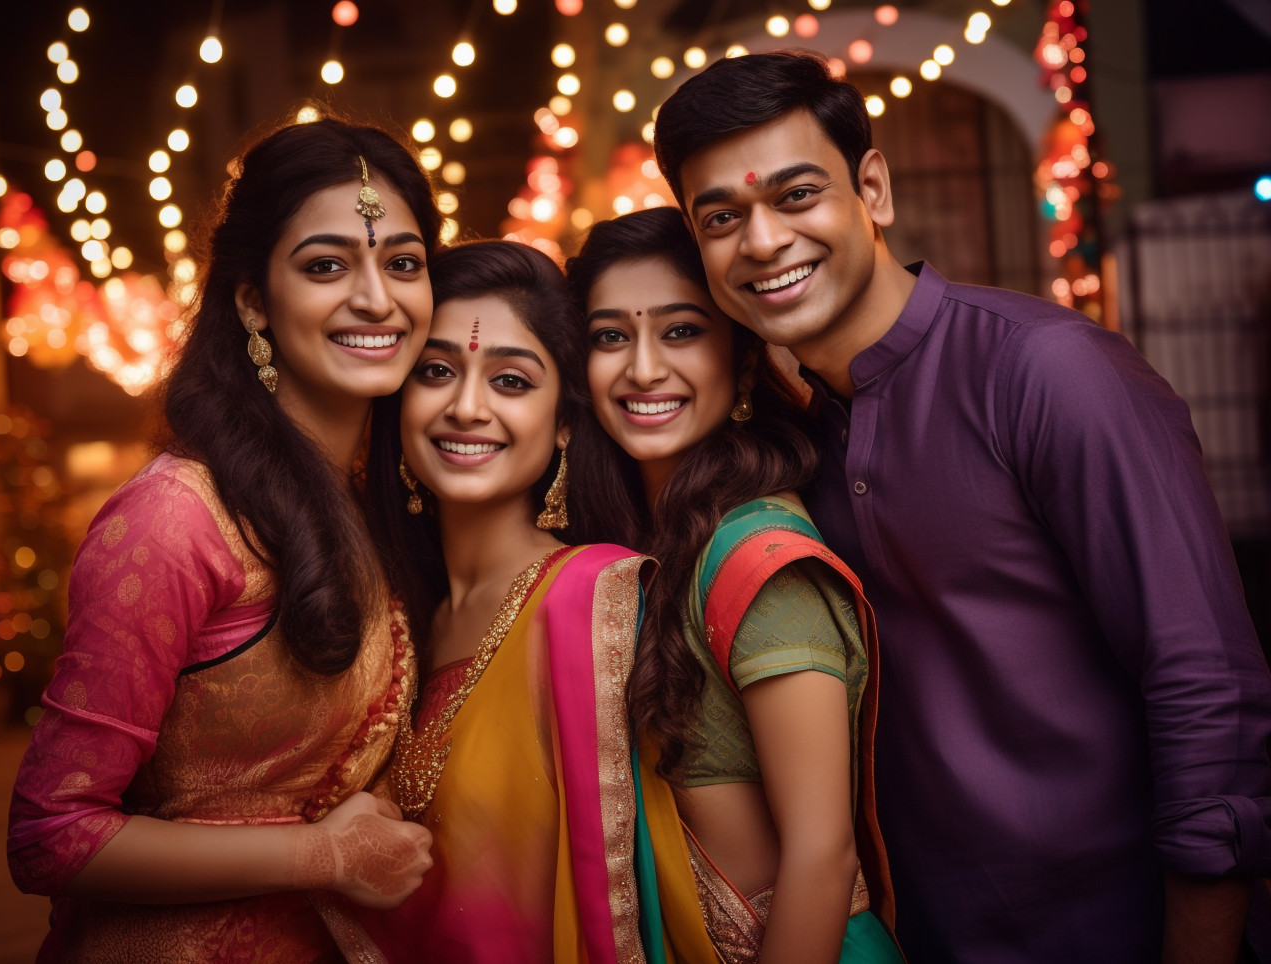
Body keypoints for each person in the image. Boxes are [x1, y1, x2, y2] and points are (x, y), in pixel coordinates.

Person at [651, 50, 1271, 963]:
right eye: (722, 217)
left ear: (874, 187)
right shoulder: (793, 446)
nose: (764, 241)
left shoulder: (1047, 373)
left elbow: (1205, 688)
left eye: (796, 195)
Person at [8, 116, 442, 962]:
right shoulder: (176, 521)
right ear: (251, 299)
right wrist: (322, 855)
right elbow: (51, 833)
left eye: (403, 263)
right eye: (326, 266)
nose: (378, 298)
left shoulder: (386, 499)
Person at [566, 206, 902, 964]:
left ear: (743, 362)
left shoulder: (759, 562)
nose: (644, 368)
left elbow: (823, 857)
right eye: (611, 336)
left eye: (681, 331)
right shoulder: (636, 551)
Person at [345, 239, 653, 963]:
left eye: (512, 381)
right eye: (437, 372)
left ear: (566, 420)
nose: (467, 407)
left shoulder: (592, 600)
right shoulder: (389, 616)